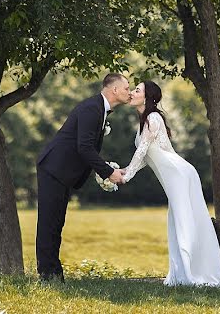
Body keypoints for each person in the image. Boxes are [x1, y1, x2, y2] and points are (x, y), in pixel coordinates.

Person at [118, 81, 220, 288]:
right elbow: (147, 158)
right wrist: (125, 170)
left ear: (148, 97)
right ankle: (181, 274)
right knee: (177, 221)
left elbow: (142, 150)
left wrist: (127, 177)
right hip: (174, 176)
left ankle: (193, 276)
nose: (132, 92)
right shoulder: (144, 120)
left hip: (180, 174)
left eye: (137, 90)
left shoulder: (153, 117)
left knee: (185, 221)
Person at [35, 73, 131, 282]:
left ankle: (54, 275)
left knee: (56, 224)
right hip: (54, 168)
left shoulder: (99, 109)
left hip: (62, 172)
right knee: (49, 224)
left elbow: (86, 148)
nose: (129, 92)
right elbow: (84, 147)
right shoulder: (92, 108)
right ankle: (47, 276)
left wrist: (107, 170)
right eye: (126, 88)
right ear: (114, 89)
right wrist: (108, 172)